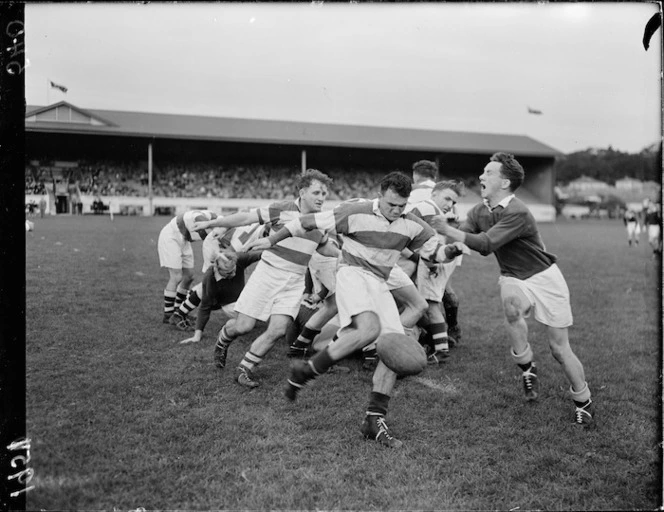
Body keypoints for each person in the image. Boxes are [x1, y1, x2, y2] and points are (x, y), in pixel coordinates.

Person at [248, 171, 466, 448]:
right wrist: (270, 240)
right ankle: (309, 368)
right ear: (380, 195)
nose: (395, 211)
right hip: (352, 273)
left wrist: (452, 251)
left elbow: (432, 254)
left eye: (401, 206)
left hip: (380, 282)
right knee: (369, 327)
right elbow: (304, 223)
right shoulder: (353, 212)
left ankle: (373, 420)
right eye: (391, 205)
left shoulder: (413, 224)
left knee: (391, 346)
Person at [433, 152, 595, 428]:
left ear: (505, 183)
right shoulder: (479, 211)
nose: (481, 176)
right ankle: (527, 366)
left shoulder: (517, 211)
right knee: (511, 307)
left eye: (488, 172)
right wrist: (450, 245)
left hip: (545, 279)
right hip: (513, 276)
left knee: (559, 348)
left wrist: (446, 231)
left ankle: (583, 400)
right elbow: (467, 238)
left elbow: (485, 244)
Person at [192, 169, 338, 389]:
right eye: (317, 192)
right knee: (243, 326)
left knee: (278, 329)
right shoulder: (281, 209)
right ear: (302, 192)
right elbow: (245, 218)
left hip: (295, 281)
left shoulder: (320, 220)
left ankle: (244, 369)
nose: (321, 198)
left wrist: (347, 253)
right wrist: (212, 224)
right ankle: (223, 339)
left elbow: (325, 247)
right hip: (268, 274)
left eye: (325, 194)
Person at [407, 180, 467, 364]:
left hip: (435, 260)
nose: (450, 205)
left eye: (453, 202)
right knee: (424, 302)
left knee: (430, 304)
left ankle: (440, 349)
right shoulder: (429, 208)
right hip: (438, 257)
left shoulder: (426, 208)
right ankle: (435, 340)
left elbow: (408, 231)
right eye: (447, 198)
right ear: (434, 194)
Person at [157, 209, 219, 324]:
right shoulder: (201, 218)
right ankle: (168, 314)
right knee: (176, 277)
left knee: (189, 276)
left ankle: (178, 312)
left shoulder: (215, 218)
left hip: (184, 239)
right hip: (172, 236)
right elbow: (200, 225)